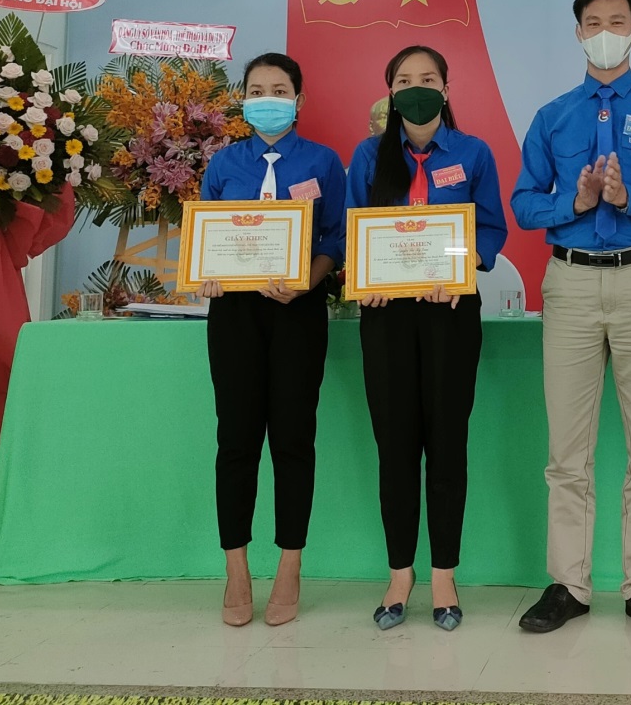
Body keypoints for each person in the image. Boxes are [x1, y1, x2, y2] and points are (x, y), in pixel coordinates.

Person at [510, 0, 631, 638]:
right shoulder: (553, 115)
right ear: (578, 32)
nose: (605, 32)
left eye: (618, 21)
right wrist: (577, 203)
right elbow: (524, 203)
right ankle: (569, 582)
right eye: (593, 22)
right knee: (567, 449)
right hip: (569, 283)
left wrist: (627, 197)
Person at [346, 45, 507, 632]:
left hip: (450, 314)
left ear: (445, 88)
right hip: (386, 316)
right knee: (394, 447)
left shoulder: (473, 153)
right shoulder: (368, 154)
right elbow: (353, 229)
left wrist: (461, 267)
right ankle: (399, 573)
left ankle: (444, 574)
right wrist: (365, 280)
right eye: (405, 80)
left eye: (429, 78)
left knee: (446, 445)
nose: (417, 88)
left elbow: (490, 228)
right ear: (390, 92)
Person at [197, 51, 347, 628]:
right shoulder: (224, 162)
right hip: (234, 316)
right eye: (257, 89)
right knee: (235, 440)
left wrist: (307, 282)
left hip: (297, 314)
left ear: (298, 100)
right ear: (243, 98)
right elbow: (206, 234)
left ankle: (289, 565)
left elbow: (334, 236)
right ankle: (236, 568)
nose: (268, 99)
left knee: (293, 440)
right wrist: (207, 272)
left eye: (279, 90)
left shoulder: (323, 162)